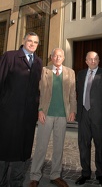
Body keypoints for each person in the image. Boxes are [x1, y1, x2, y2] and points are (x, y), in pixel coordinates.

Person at [29, 48, 77, 187]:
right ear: (51, 57)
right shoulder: (44, 70)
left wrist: (73, 110)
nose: (57, 57)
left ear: (63, 58)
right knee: (41, 146)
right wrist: (39, 109)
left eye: (60, 56)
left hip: (62, 115)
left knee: (59, 147)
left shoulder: (70, 72)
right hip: (46, 114)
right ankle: (35, 176)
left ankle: (55, 175)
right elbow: (37, 92)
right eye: (55, 55)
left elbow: (73, 94)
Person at [0, 32, 42, 187]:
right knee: (4, 150)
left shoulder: (38, 62)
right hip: (7, 115)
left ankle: (16, 183)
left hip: (27, 117)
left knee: (22, 152)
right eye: (29, 41)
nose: (32, 44)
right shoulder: (9, 57)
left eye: (35, 42)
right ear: (23, 41)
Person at [75, 51, 102, 186]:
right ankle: (85, 173)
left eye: (96, 59)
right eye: (90, 59)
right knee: (83, 145)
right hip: (83, 115)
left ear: (99, 60)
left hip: (99, 116)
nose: (93, 61)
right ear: (86, 61)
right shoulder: (80, 74)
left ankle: (100, 174)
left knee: (99, 145)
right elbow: (77, 94)